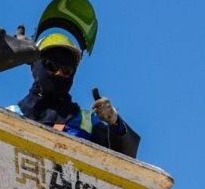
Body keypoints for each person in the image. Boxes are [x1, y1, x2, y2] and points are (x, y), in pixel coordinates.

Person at [10, 32, 141, 158]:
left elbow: (126, 161)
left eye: (67, 70)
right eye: (51, 65)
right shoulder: (9, 114)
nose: (59, 74)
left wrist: (115, 121)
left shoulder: (88, 121)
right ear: (35, 67)